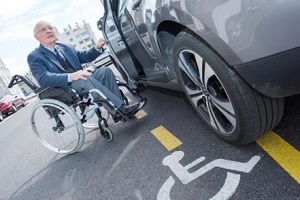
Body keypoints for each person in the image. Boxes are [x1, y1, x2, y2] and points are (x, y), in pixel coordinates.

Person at [27, 20, 145, 118]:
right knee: (85, 77)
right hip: (64, 87)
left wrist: (97, 48)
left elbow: (83, 56)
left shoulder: (66, 47)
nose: (48, 31)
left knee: (105, 71)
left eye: (50, 28)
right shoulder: (35, 56)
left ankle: (117, 112)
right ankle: (120, 109)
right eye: (43, 29)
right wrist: (70, 76)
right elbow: (43, 78)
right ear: (37, 37)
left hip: (82, 78)